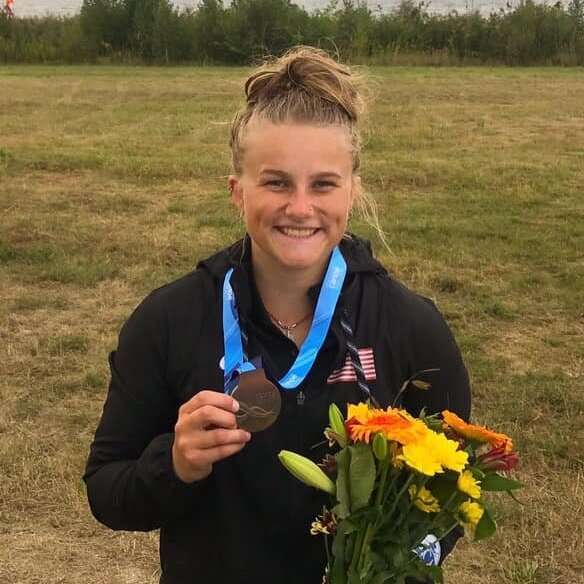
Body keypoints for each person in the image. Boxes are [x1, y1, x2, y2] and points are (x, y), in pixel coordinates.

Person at [83, 46, 471, 584]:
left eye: (323, 184)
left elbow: (454, 492)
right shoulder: (167, 321)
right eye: (276, 182)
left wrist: (400, 565)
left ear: (352, 192)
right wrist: (173, 465)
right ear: (236, 192)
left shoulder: (410, 327)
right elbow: (106, 492)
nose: (300, 207)